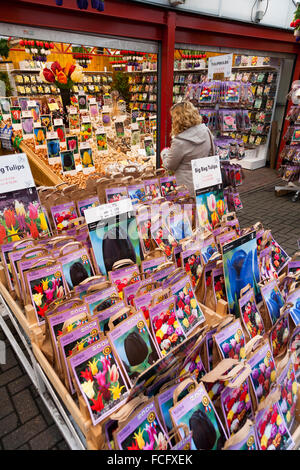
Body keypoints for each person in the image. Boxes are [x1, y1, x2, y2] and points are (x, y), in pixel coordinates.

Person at [161, 101, 215, 196]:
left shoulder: (179, 141)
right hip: (205, 180)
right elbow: (212, 153)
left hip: (185, 186)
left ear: (177, 119)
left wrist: (164, 153)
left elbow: (170, 165)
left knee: (188, 208)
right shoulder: (206, 131)